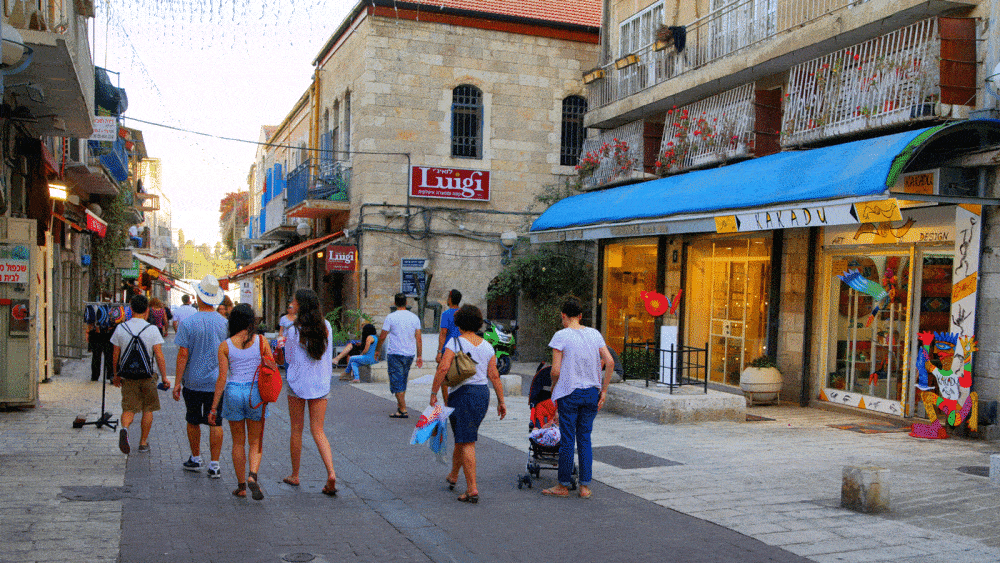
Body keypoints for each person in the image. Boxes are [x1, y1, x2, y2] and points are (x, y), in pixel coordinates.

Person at [430, 304, 506, 504]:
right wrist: (501, 401)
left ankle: (472, 488)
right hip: (482, 395)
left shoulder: (455, 343)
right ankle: (453, 475)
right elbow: (494, 376)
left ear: (459, 322)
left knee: (467, 441)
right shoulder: (487, 346)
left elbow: (443, 368)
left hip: (463, 395)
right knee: (463, 438)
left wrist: (433, 393)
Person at [541, 297, 615, 500]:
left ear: (563, 316)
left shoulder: (561, 336)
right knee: (584, 438)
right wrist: (604, 390)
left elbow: (555, 370)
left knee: (567, 440)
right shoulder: (594, 334)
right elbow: (609, 361)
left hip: (570, 393)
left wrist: (554, 389)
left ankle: (563, 485)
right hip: (592, 392)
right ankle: (584, 487)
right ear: (581, 316)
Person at [208, 303, 272, 500]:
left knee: (238, 442)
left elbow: (222, 378)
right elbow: (271, 366)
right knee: (255, 441)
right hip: (255, 394)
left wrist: (213, 408)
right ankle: (252, 475)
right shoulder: (261, 341)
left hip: (234, 392)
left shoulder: (225, 345)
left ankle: (241, 486)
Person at [281, 289, 338, 496]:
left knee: (297, 430)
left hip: (297, 383)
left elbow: (288, 357)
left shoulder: (293, 329)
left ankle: (295, 475)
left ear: (301, 305)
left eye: (294, 300)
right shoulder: (327, 326)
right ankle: (331, 472)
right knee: (318, 430)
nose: (292, 303)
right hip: (321, 383)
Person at [172, 275, 228, 478]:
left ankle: (195, 458)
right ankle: (214, 464)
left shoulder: (188, 323)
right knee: (216, 421)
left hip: (193, 381)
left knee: (193, 419)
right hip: (217, 382)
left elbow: (183, 354)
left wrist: (177, 382)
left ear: (198, 296)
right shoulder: (224, 324)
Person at [110, 294, 170, 454]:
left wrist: (116, 374)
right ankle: (143, 443)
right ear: (147, 310)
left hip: (128, 376)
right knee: (147, 408)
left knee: (128, 408)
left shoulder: (120, 328)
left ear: (130, 309)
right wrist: (164, 377)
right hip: (148, 375)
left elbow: (115, 354)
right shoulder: (152, 330)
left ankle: (124, 428)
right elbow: (159, 355)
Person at [378, 293, 423, 418]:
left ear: (395, 303)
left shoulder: (391, 317)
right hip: (409, 354)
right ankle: (400, 408)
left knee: (396, 381)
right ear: (406, 303)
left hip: (395, 353)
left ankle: (403, 409)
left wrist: (377, 350)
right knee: (403, 380)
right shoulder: (414, 318)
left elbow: (382, 336)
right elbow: (418, 338)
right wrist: (419, 356)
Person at [85, 292, 114, 382]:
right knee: (106, 355)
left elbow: (90, 323)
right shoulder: (110, 308)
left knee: (99, 356)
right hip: (105, 333)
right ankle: (108, 375)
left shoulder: (97, 307)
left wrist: (88, 332)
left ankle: (96, 376)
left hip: (100, 333)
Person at [436, 289, 461, 364]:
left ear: (450, 299)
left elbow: (443, 333)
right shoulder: (463, 313)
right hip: (461, 349)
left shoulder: (446, 314)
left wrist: (439, 352)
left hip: (448, 350)